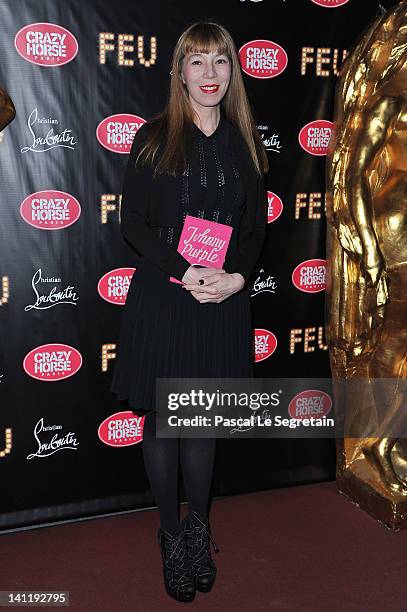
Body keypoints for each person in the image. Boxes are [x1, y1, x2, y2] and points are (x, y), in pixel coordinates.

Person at [110, 20, 269, 603]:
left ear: (233, 71)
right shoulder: (153, 138)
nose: (209, 75)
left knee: (201, 421)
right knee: (163, 422)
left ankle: (200, 532)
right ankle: (171, 536)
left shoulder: (246, 142)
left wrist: (237, 276)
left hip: (223, 295)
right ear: (179, 71)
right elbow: (133, 224)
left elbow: (255, 229)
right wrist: (185, 272)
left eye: (220, 62)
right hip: (166, 294)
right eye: (197, 63)